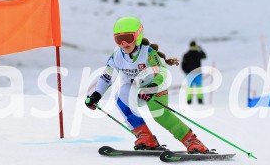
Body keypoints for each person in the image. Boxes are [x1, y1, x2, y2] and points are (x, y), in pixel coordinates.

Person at [85, 16, 209, 153]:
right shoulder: (117, 55)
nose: (124, 43)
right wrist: (96, 95)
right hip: (135, 91)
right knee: (121, 95)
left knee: (160, 116)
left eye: (128, 38)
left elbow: (161, 73)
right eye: (119, 39)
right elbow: (107, 77)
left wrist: (151, 88)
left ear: (138, 36)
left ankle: (193, 142)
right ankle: (146, 138)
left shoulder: (148, 52)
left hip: (155, 87)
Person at [181, 40, 207, 104]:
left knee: (195, 87)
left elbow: (204, 56)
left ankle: (198, 100)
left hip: (195, 73)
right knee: (193, 87)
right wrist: (186, 71)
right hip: (192, 73)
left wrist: (200, 50)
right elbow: (183, 65)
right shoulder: (188, 54)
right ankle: (191, 101)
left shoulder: (195, 54)